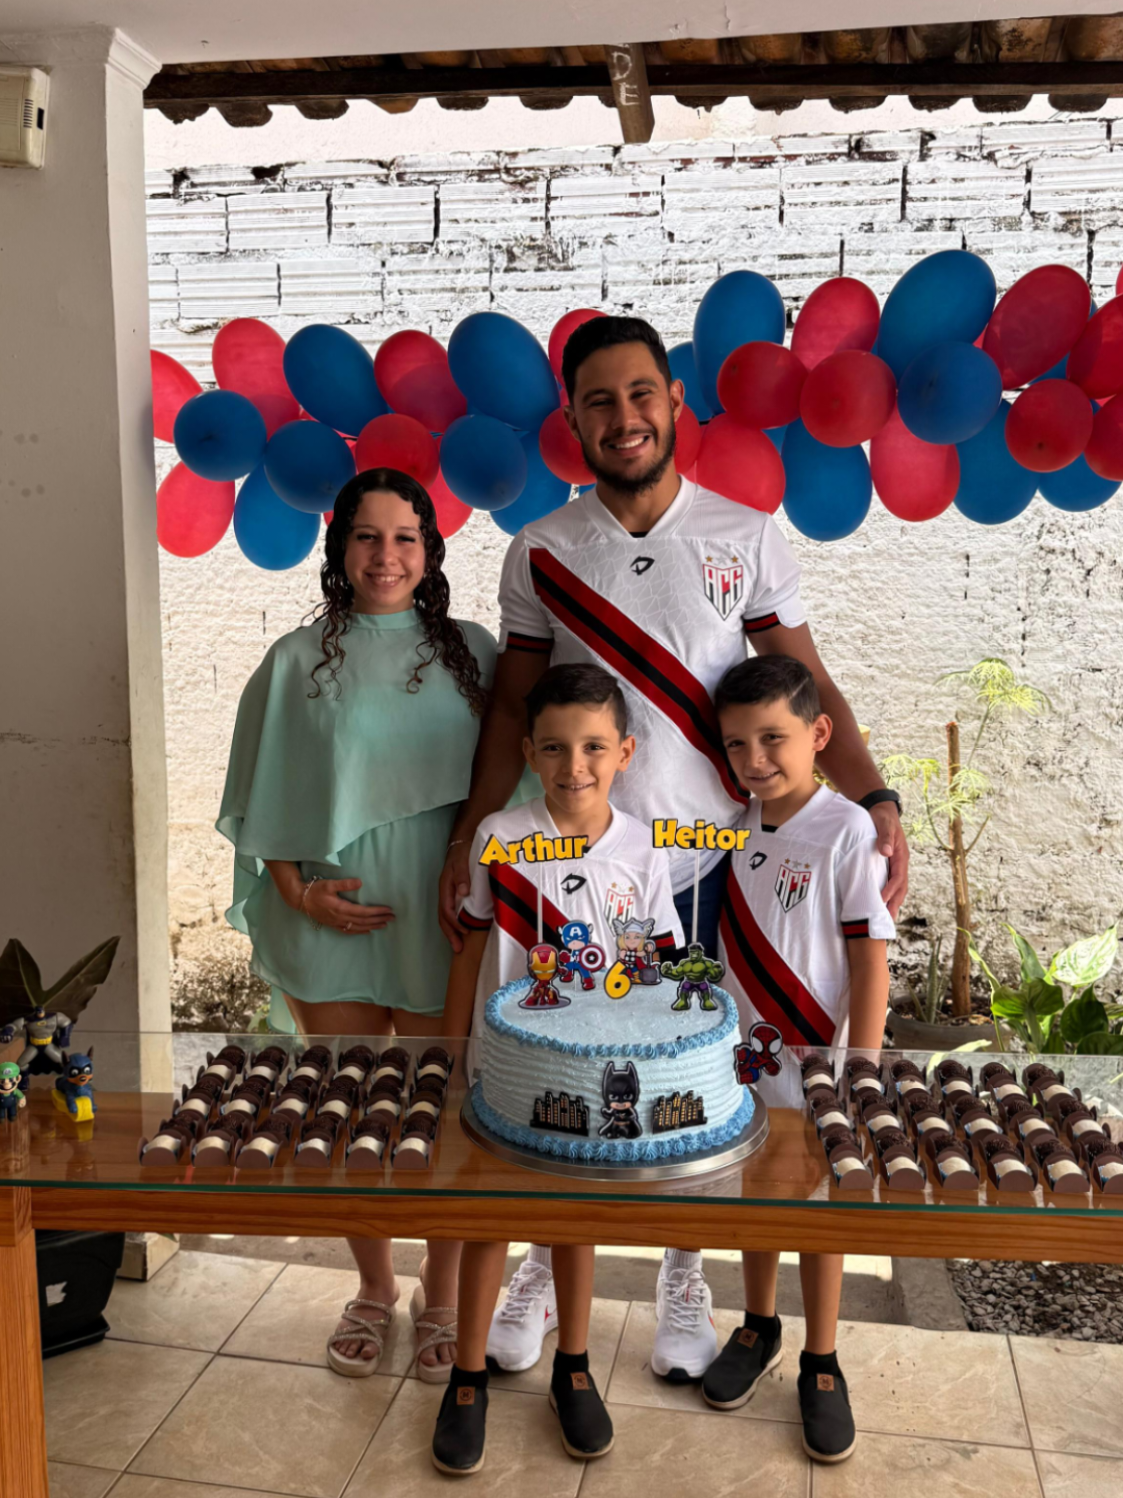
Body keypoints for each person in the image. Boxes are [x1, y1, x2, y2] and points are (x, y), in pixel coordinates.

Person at [438, 313, 908, 1378]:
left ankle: (680, 1275)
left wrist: (874, 793)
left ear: (674, 403)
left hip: (703, 866)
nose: (624, 416)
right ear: (572, 420)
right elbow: (512, 704)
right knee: (559, 1074)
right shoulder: (543, 549)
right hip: (575, 866)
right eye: (599, 399)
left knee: (690, 1089)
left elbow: (807, 683)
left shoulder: (745, 535)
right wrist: (474, 826)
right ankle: (535, 1271)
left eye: (641, 393)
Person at [218, 467, 502, 1384]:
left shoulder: (473, 651)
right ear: (340, 549)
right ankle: (374, 1290)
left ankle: (443, 1298)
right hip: (327, 924)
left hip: (442, 924)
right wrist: (300, 895)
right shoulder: (298, 658)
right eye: (368, 537)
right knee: (350, 1121)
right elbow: (261, 797)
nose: (386, 556)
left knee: (444, 1119)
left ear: (431, 551)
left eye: (405, 537)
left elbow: (512, 789)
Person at [432, 663, 683, 1475]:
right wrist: (444, 1056)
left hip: (592, 1071)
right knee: (487, 1217)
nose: (574, 766)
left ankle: (572, 1365)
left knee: (575, 1218)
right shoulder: (500, 838)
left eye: (592, 748)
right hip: (502, 1067)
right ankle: (466, 1376)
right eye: (554, 748)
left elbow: (654, 966)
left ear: (624, 752)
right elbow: (472, 946)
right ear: (529, 752)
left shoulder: (645, 849)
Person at [705, 654, 893, 1462]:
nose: (754, 760)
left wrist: (862, 1068)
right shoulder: (723, 826)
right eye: (737, 744)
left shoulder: (847, 829)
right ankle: (757, 1325)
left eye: (773, 738)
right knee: (757, 1197)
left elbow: (868, 955)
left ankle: (822, 1355)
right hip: (740, 1062)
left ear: (818, 734)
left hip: (821, 1067)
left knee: (820, 1209)